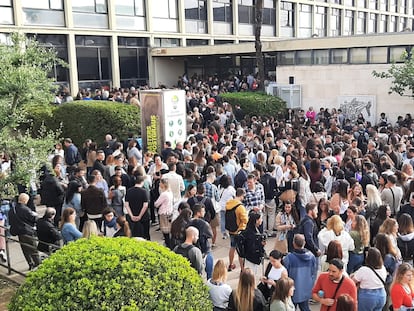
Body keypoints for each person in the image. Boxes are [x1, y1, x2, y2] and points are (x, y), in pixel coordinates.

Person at [283, 234, 317, 311]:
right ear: (304, 243)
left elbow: (285, 274)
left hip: (292, 290)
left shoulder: (289, 258)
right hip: (306, 289)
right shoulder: (311, 257)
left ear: (293, 243)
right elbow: (313, 273)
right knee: (305, 307)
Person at [8, 193, 41, 270]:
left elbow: (10, 222)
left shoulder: (12, 210)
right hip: (27, 231)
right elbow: (33, 219)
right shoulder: (25, 209)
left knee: (25, 249)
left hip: (18, 232)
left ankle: (30, 264)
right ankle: (38, 264)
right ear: (25, 200)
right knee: (33, 249)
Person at [189, 203, 214, 279]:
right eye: (203, 211)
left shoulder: (188, 222)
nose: (204, 212)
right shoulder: (204, 224)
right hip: (205, 249)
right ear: (198, 213)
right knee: (209, 271)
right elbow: (210, 235)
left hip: (194, 248)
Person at [124, 175, 151, 240]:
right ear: (142, 182)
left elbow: (126, 204)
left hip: (132, 216)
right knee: (145, 234)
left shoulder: (129, 191)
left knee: (134, 234)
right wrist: (140, 216)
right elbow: (145, 205)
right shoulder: (144, 191)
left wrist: (131, 215)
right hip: (144, 217)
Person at [243, 212, 266, 277]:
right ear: (256, 220)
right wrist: (260, 245)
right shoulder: (251, 233)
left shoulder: (254, 229)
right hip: (251, 259)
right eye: (260, 219)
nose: (261, 220)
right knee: (250, 276)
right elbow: (251, 247)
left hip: (251, 258)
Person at [154, 178, 173, 248]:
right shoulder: (170, 193)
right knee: (168, 230)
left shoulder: (164, 194)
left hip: (163, 213)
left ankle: (168, 245)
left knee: (165, 231)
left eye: (160, 183)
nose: (159, 184)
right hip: (169, 212)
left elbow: (156, 204)